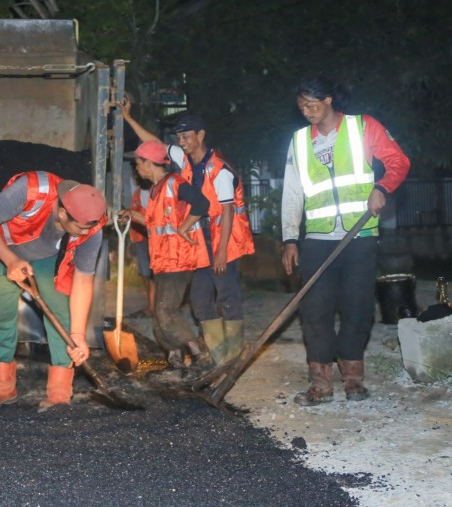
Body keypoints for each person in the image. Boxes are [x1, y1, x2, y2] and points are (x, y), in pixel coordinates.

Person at [281, 77, 410, 406]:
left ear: (328, 100)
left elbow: (399, 162)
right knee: (315, 310)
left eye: (312, 105)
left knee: (358, 308)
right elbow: (292, 193)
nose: (307, 112)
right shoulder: (298, 142)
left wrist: (381, 188)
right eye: (301, 107)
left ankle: (353, 379)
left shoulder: (362, 127)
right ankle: (321, 384)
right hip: (318, 240)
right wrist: (290, 238)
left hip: (360, 236)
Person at [121, 100, 255, 365]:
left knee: (227, 296)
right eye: (179, 137)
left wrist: (220, 252)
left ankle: (233, 354)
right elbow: (154, 145)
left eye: (186, 136)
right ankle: (215, 356)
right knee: (201, 299)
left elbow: (226, 212)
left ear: (201, 135)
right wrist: (128, 117)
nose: (181, 141)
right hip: (200, 243)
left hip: (223, 242)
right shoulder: (184, 161)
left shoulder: (220, 171)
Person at [0, 173, 107, 412]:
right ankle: (3, 387)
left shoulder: (92, 224)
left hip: (46, 259)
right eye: (80, 228)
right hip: (1, 251)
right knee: (0, 316)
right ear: (63, 213)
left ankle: (59, 392)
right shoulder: (31, 190)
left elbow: (84, 280)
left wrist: (78, 334)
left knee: (61, 317)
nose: (84, 233)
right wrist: (10, 260)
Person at [124, 140, 214, 377]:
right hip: (164, 259)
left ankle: (200, 353)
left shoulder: (175, 183)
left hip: (180, 258)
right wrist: (131, 215)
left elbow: (203, 203)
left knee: (165, 311)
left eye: (138, 163)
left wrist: (185, 227)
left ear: (149, 163)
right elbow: (157, 224)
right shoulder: (156, 190)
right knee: (160, 314)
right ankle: (174, 359)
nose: (136, 169)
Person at [128, 170, 155, 317]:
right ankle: (151, 304)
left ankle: (153, 306)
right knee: (145, 273)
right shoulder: (138, 192)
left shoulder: (158, 191)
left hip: (155, 239)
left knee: (154, 274)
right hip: (140, 237)